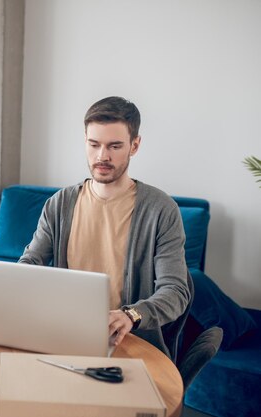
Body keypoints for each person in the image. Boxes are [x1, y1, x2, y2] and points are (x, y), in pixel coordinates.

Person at [19, 96, 191, 360]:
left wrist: (131, 315)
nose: (102, 156)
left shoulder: (160, 209)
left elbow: (175, 291)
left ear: (135, 145)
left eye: (115, 146)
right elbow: (31, 262)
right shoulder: (59, 203)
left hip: (130, 341)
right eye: (94, 144)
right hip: (64, 333)